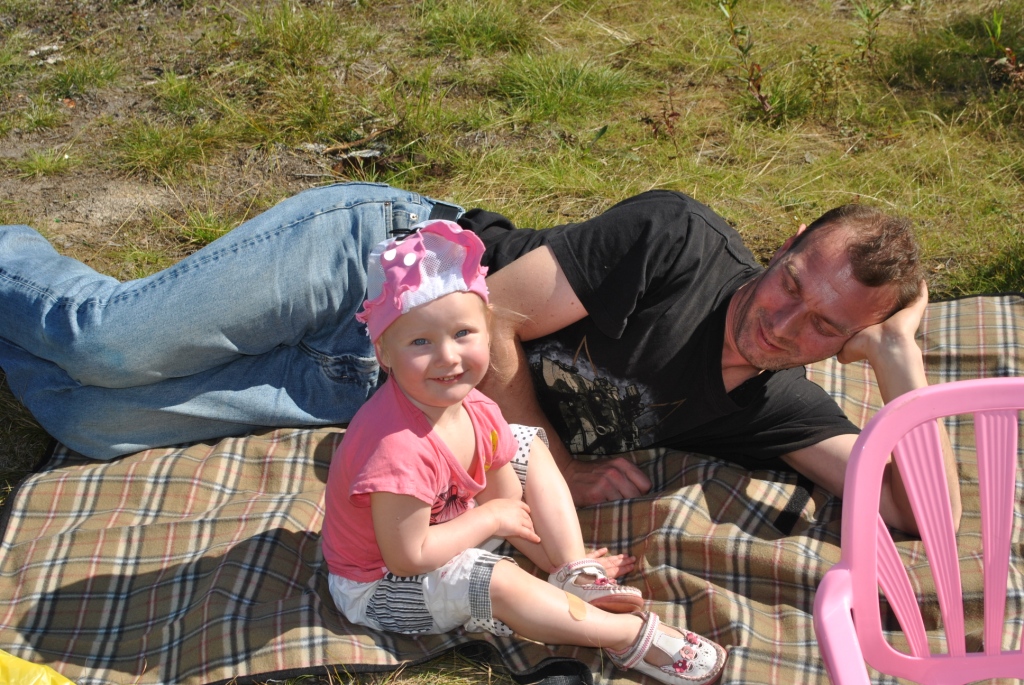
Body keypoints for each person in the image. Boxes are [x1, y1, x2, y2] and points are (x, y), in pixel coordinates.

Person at [0, 182, 958, 535]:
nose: (784, 324)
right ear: (785, 246)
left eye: (825, 327)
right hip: (373, 262)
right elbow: (491, 315)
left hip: (361, 384)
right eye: (792, 282)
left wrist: (899, 359)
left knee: (88, 417)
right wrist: (552, 462)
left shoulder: (770, 405)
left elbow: (922, 514)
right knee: (103, 343)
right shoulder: (677, 242)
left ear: (847, 345)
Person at [320, 220, 727, 685]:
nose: (448, 357)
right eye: (420, 342)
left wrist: (523, 533)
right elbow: (409, 557)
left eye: (463, 333)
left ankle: (573, 573)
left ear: (487, 330)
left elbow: (507, 499)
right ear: (384, 354)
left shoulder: (476, 406)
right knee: (492, 577)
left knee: (524, 441)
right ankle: (624, 636)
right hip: (385, 586)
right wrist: (491, 520)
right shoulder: (396, 449)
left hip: (451, 525)